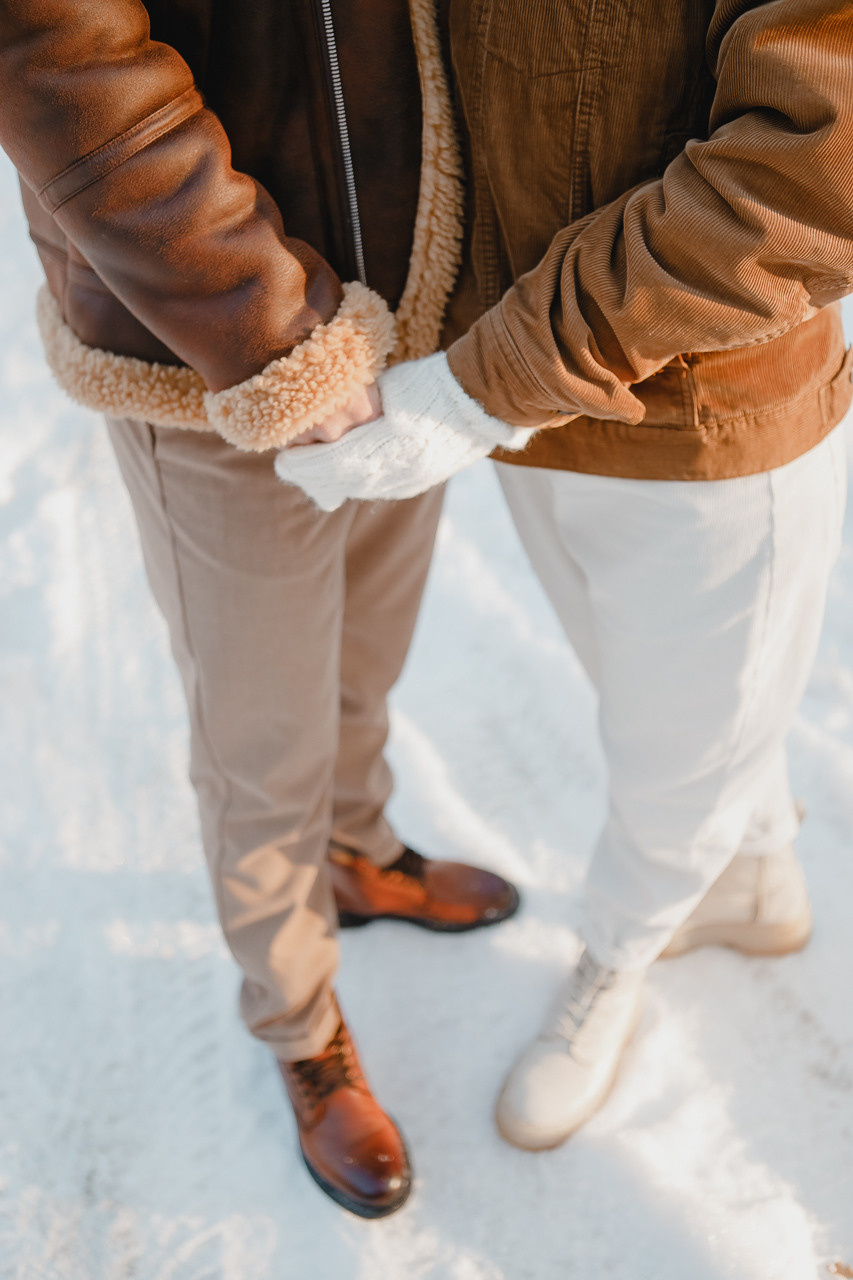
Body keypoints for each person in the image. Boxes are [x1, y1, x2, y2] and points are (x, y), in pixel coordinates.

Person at [275, 0, 853, 1151]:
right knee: (672, 701)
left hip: (699, 415)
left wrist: (492, 378)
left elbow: (813, 168)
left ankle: (618, 951)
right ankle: (751, 872)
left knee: (676, 754)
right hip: (524, 393)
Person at [0, 0, 522, 1218]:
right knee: (260, 735)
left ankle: (357, 851)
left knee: (366, 653)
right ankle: (297, 1015)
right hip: (209, 353)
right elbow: (65, 65)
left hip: (412, 322)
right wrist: (284, 338)